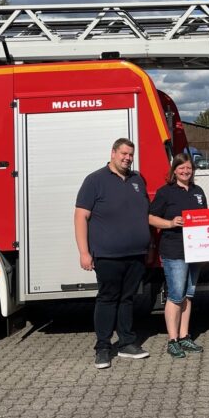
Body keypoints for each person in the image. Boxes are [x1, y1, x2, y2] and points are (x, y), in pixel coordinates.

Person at [74, 138, 151, 369]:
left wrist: (149, 248)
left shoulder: (137, 180)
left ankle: (127, 343)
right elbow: (80, 217)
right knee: (107, 299)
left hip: (136, 254)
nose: (127, 158)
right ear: (113, 153)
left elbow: (143, 214)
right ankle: (103, 348)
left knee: (127, 299)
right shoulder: (95, 180)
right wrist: (84, 252)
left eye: (131, 155)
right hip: (107, 255)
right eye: (124, 154)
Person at [148, 152, 207, 359]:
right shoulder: (166, 192)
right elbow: (150, 217)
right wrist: (171, 223)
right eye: (181, 168)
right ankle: (172, 340)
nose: (185, 171)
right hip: (174, 251)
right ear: (174, 171)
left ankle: (184, 336)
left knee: (188, 295)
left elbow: (205, 220)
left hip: (195, 252)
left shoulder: (198, 191)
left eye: (189, 168)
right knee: (175, 295)